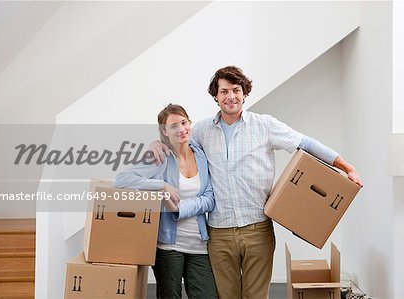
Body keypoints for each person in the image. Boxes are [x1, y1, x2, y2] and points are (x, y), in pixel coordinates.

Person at [150, 66, 363, 299]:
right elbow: (177, 143)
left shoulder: (265, 125)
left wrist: (347, 167)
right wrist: (156, 143)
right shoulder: (201, 130)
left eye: (236, 90)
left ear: (244, 93)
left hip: (257, 228)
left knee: (256, 296)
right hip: (219, 232)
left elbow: (306, 143)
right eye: (224, 91)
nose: (230, 96)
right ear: (216, 96)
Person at [115, 104, 218, 299]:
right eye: (173, 126)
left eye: (184, 122)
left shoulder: (202, 156)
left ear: (190, 123)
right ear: (164, 131)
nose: (181, 129)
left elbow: (210, 199)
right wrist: (161, 185)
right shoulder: (160, 157)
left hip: (199, 244)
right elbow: (121, 180)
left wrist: (180, 209)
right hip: (168, 246)